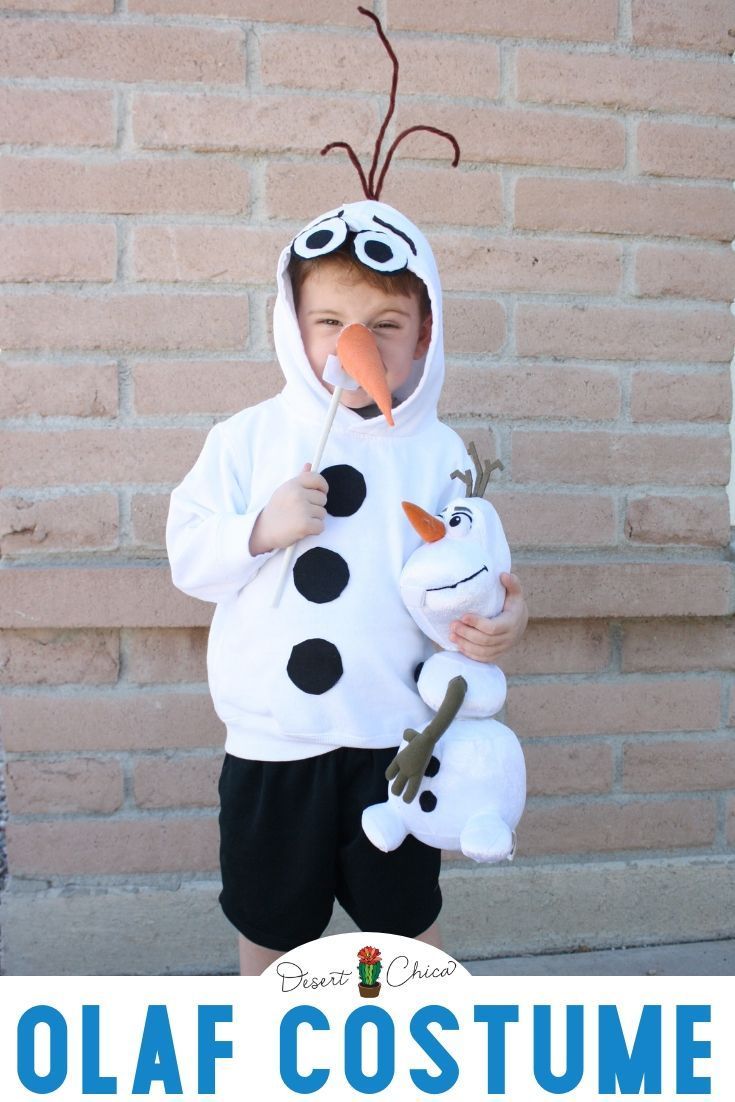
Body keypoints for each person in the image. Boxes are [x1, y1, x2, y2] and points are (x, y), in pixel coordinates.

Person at [166, 200, 528, 975]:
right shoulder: (247, 440)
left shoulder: (438, 452)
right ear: (290, 327)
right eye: (328, 321)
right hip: (274, 748)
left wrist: (502, 619)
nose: (354, 343)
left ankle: (401, 1050)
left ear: (426, 333)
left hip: (394, 747)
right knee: (271, 931)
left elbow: (468, 575)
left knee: (403, 933)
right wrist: (259, 528)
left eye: (385, 325)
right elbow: (189, 559)